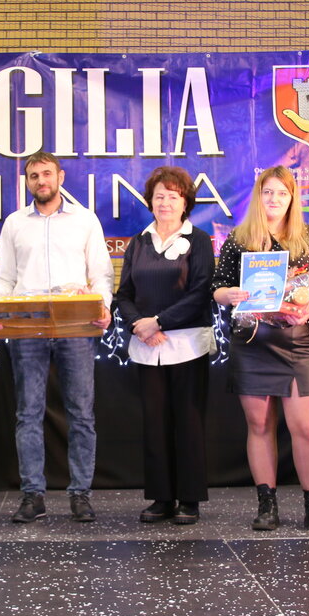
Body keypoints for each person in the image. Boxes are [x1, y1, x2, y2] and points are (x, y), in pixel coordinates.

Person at [0, 150, 114, 523]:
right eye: (34, 176)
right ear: (27, 182)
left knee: (81, 413)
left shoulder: (85, 220)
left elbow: (102, 274)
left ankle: (81, 494)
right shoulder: (14, 223)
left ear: (60, 177)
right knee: (28, 413)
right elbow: (3, 277)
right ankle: (33, 496)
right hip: (26, 326)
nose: (41, 181)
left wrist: (103, 306)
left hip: (76, 326)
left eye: (46, 174)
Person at [211, 165, 309, 532]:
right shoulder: (239, 240)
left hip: (300, 342)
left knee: (306, 427)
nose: (274, 199)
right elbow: (217, 288)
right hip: (253, 342)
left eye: (282, 193)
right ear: (258, 196)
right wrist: (231, 295)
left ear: (292, 198)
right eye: (268, 192)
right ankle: (266, 504)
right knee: (259, 425)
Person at [113, 166, 216, 525]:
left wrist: (159, 321)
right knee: (155, 424)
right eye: (159, 196)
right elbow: (124, 294)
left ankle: (189, 498)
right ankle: (161, 497)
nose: (165, 203)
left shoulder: (199, 241)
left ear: (185, 202)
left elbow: (201, 292)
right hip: (147, 346)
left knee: (188, 421)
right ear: (150, 201)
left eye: (173, 196)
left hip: (187, 345)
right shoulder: (139, 242)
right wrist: (138, 325)